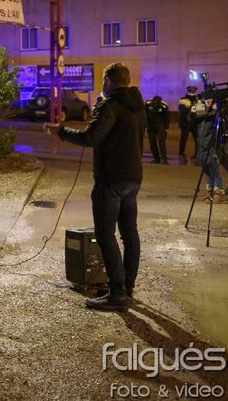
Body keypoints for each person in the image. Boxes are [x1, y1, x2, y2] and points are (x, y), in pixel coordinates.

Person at [58, 62, 145, 312]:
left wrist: (62, 132)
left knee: (105, 234)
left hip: (111, 180)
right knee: (130, 234)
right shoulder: (139, 107)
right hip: (133, 178)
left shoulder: (109, 106)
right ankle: (127, 287)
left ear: (108, 80)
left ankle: (117, 294)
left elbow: (90, 137)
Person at [193, 94, 226, 203]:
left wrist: (213, 109)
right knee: (205, 168)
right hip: (201, 145)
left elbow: (215, 118)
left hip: (211, 146)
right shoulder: (202, 111)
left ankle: (219, 193)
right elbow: (191, 118)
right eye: (206, 99)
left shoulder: (216, 112)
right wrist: (192, 110)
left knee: (213, 169)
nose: (208, 101)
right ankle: (210, 191)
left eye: (210, 99)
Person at [178, 85, 199, 165]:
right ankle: (181, 154)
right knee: (183, 140)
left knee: (197, 140)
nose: (192, 90)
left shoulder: (198, 99)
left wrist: (191, 108)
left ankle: (197, 154)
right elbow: (181, 108)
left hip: (195, 123)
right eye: (190, 89)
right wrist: (192, 108)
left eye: (193, 89)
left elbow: (201, 110)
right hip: (185, 123)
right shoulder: (183, 99)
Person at [145, 95, 169, 164]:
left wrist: (166, 127)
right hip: (151, 124)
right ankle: (156, 158)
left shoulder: (164, 105)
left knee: (161, 141)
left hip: (160, 124)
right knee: (152, 142)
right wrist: (146, 125)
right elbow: (145, 114)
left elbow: (167, 117)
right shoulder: (148, 103)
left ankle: (164, 159)